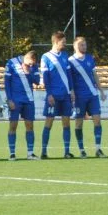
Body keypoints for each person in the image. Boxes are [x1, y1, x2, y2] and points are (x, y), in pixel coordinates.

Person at [39, 31, 74, 159]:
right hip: (53, 95)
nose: (65, 44)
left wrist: (71, 91)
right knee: (49, 122)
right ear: (55, 42)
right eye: (63, 42)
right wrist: (49, 94)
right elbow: (46, 77)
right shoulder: (46, 57)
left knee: (66, 122)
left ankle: (66, 151)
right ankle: (43, 151)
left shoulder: (65, 55)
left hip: (65, 95)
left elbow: (69, 75)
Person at [68, 37, 104, 158]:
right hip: (79, 97)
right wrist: (72, 92)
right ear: (75, 46)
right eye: (81, 45)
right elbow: (69, 79)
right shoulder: (71, 61)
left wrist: (101, 90)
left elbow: (95, 75)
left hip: (92, 95)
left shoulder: (89, 58)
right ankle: (82, 150)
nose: (84, 46)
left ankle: (98, 149)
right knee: (78, 123)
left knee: (97, 120)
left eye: (85, 44)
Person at [4, 50, 40, 160]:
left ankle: (30, 153)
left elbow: (37, 81)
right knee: (13, 126)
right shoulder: (11, 63)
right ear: (26, 57)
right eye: (30, 62)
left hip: (29, 100)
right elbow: (7, 82)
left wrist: (29, 72)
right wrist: (9, 99)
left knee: (30, 126)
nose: (31, 65)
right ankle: (12, 153)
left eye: (33, 63)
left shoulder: (33, 66)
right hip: (15, 100)